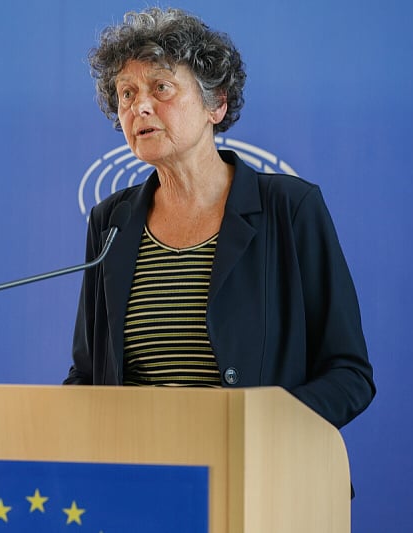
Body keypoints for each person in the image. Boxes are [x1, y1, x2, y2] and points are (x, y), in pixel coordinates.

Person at [64, 7, 375, 430]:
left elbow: (348, 374)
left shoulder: (289, 209)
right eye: (127, 94)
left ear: (216, 104)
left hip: (255, 462)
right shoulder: (110, 222)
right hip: (139, 464)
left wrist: (259, 425)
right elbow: (87, 374)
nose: (141, 107)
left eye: (161, 87)